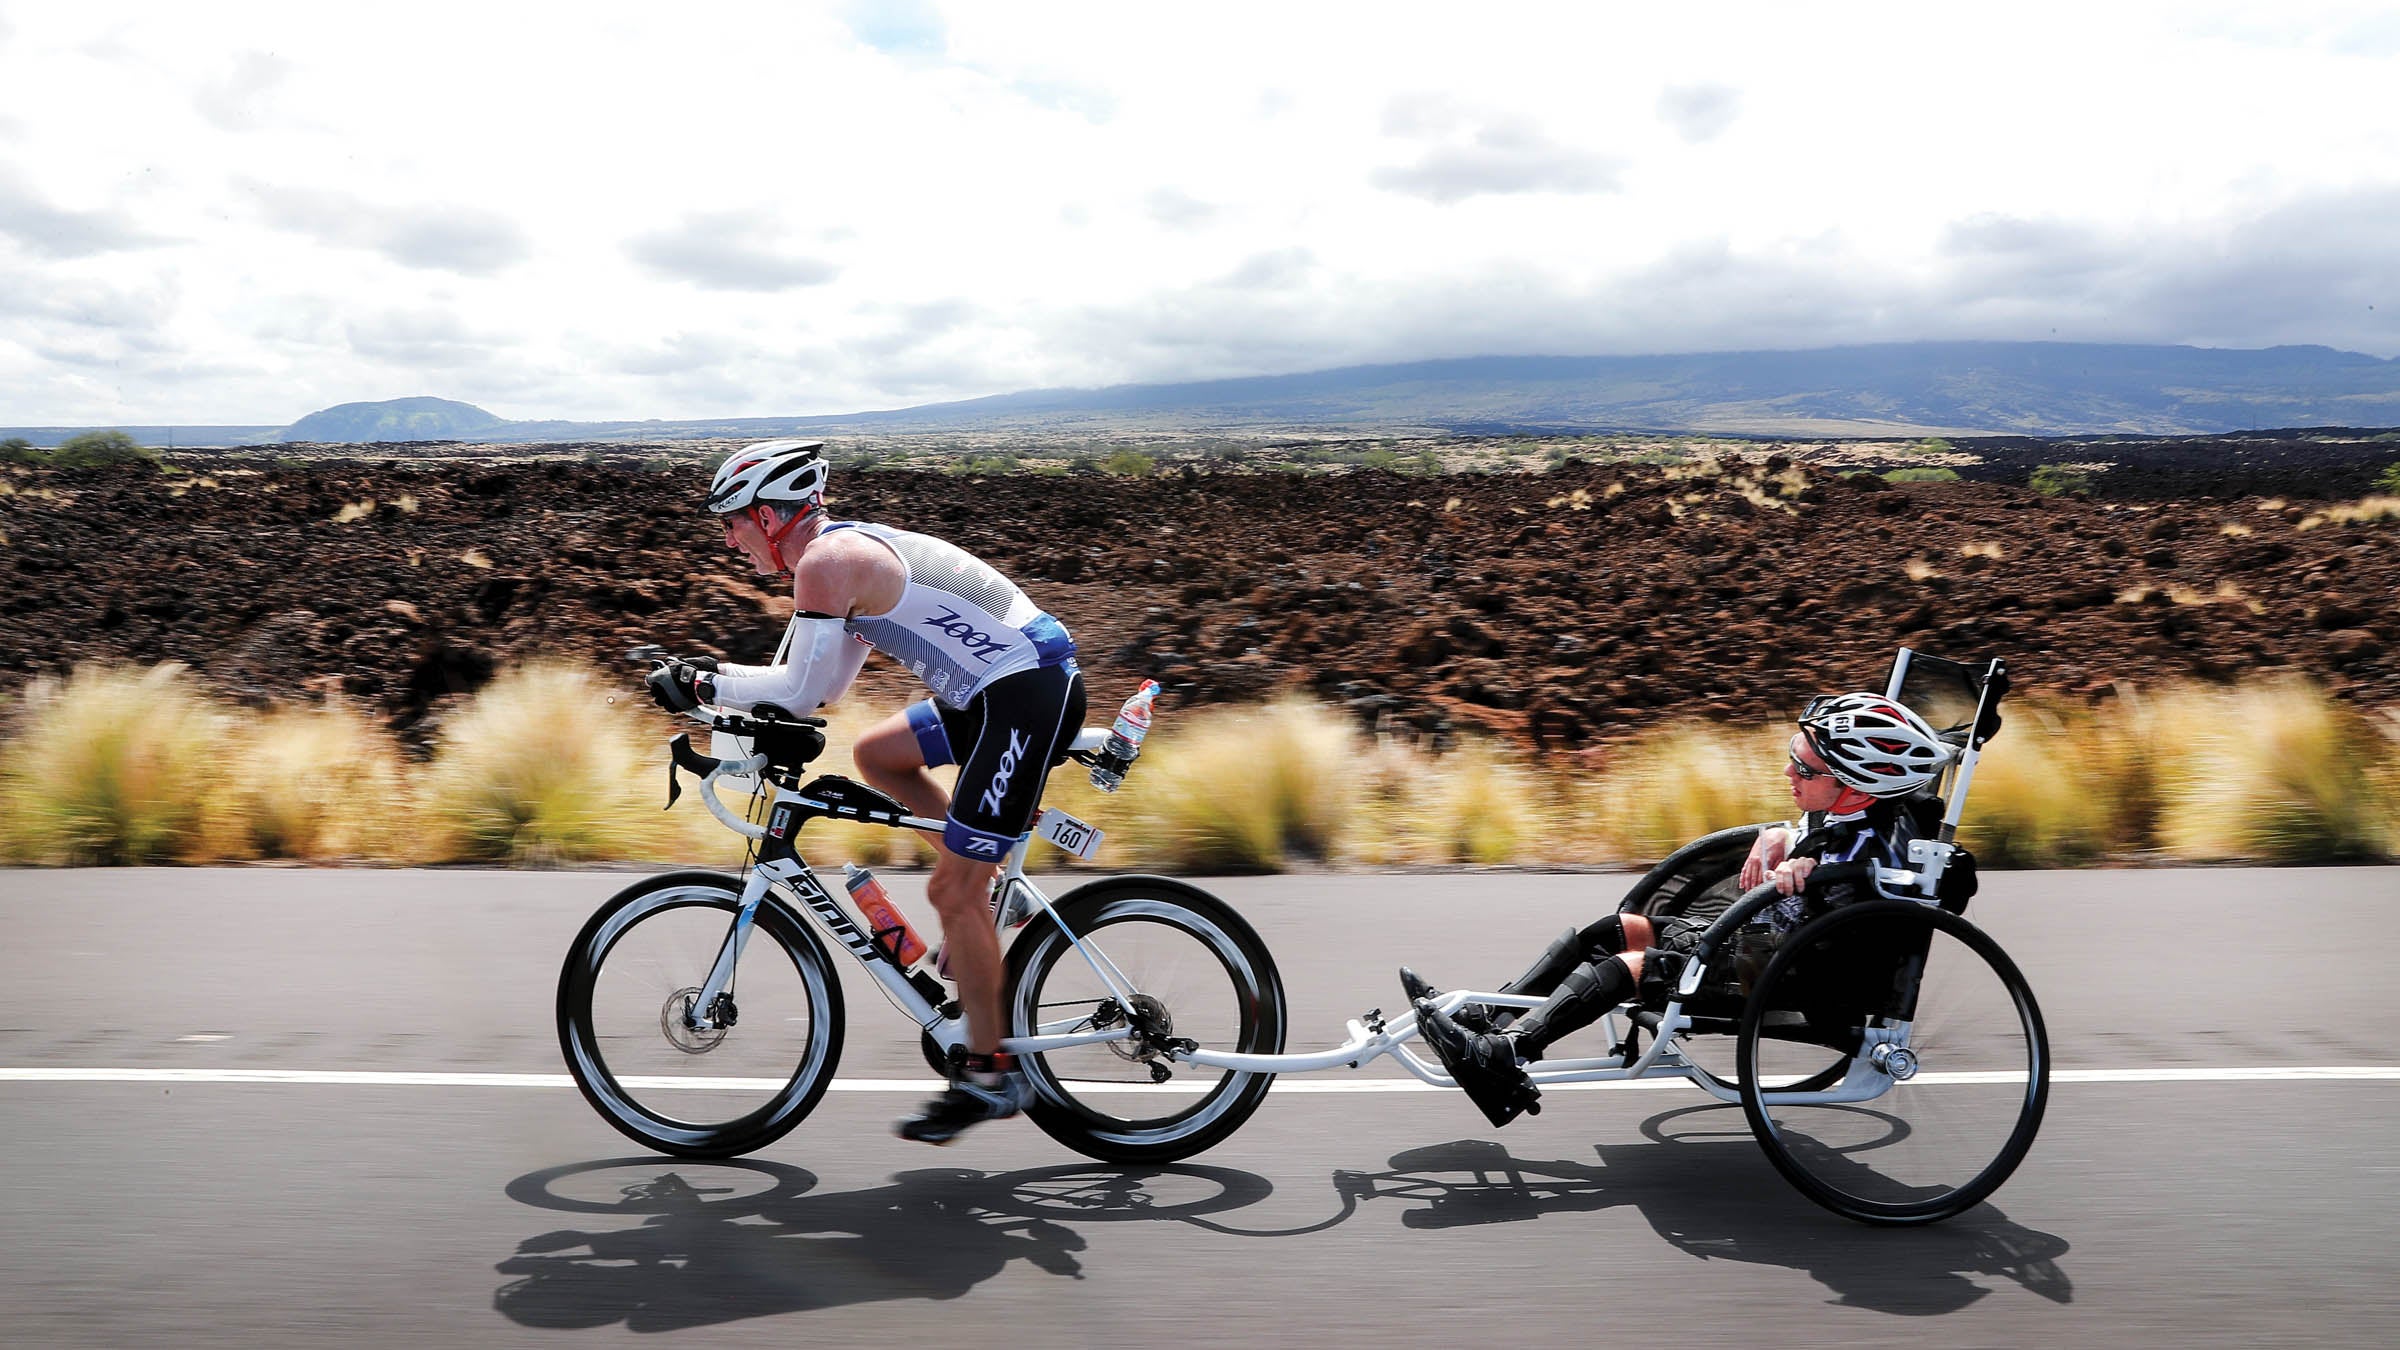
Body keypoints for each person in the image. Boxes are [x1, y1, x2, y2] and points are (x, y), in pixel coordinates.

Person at [648, 440, 1087, 1144]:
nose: (729, 539)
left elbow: (801, 692)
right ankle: (987, 888)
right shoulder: (836, 561)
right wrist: (713, 683)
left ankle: (991, 1074)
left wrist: (703, 683)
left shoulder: (826, 563)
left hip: (1025, 694)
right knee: (878, 755)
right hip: (992, 693)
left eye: (732, 522)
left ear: (768, 515)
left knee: (951, 892)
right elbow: (822, 689)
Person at [1403, 692, 1954, 1128]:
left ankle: (1505, 1056)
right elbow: (1822, 841)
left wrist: (1810, 874)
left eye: (1805, 770)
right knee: (1614, 931)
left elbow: (1870, 897)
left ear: (1857, 785)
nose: (1790, 774)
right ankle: (1490, 1018)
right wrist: (1780, 837)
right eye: (1794, 758)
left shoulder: (1875, 854)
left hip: (1784, 976)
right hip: (1756, 948)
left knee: (1632, 967)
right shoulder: (1851, 817)